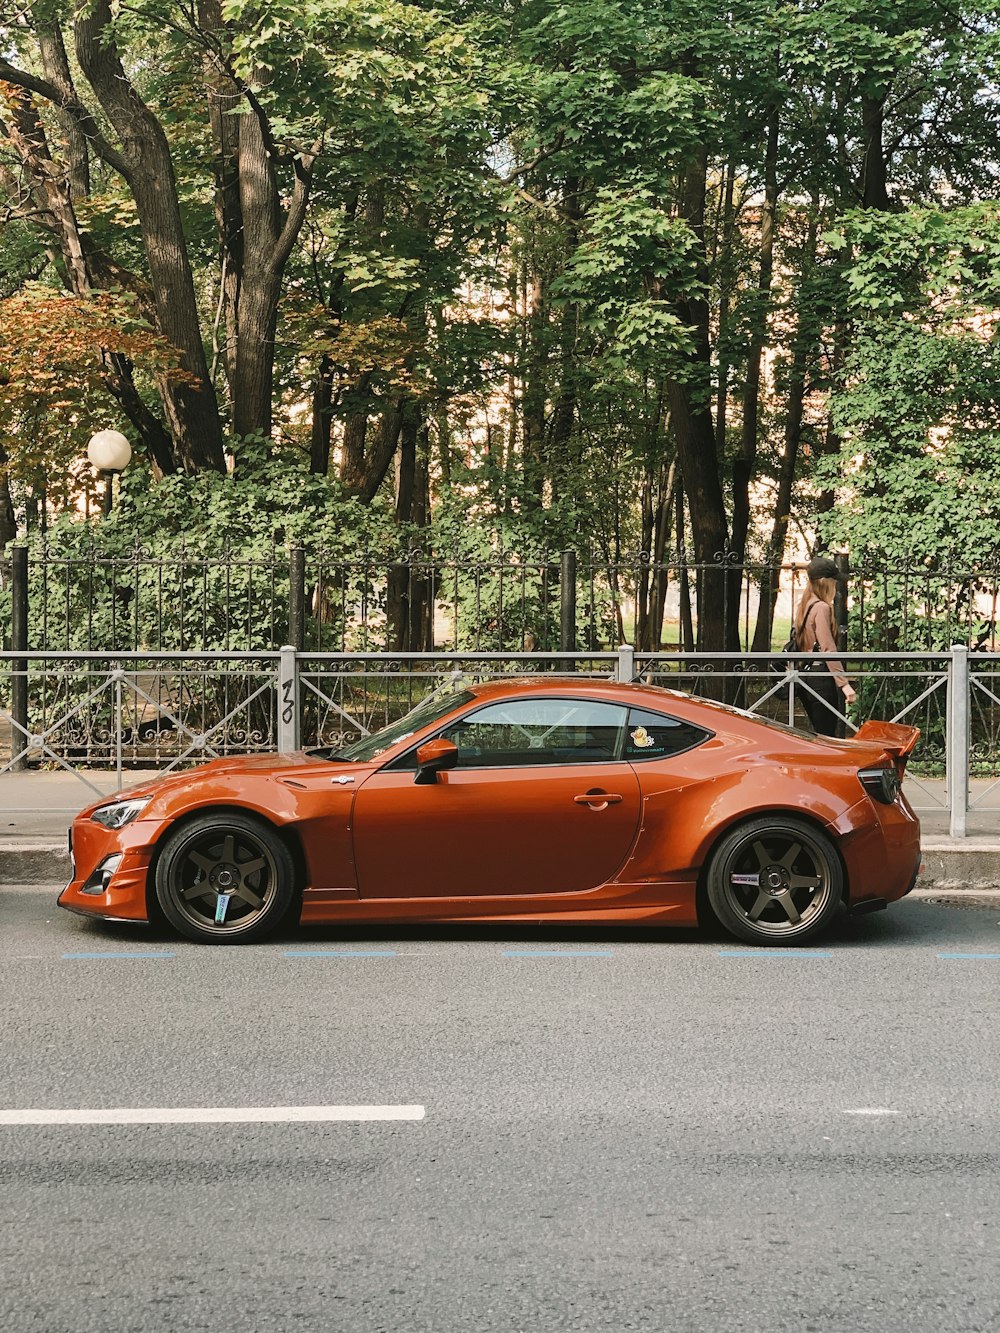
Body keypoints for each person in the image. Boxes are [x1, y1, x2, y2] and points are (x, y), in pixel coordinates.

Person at [792, 556, 856, 736]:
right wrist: (844, 684)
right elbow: (827, 647)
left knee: (819, 735)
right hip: (820, 679)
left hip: (805, 676)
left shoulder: (804, 605)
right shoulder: (821, 608)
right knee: (827, 737)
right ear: (823, 582)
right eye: (833, 581)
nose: (836, 586)